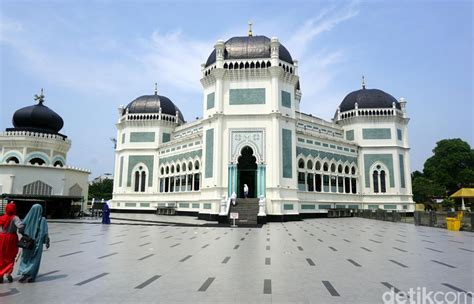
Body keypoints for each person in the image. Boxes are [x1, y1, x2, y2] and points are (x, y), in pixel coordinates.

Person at [18, 204, 50, 283]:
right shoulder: (42, 220)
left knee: (25, 258)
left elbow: (21, 229)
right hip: (37, 244)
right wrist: (47, 241)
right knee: (35, 259)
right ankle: (31, 276)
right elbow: (45, 232)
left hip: (27, 242)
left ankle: (24, 273)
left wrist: (26, 234)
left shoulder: (28, 218)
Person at [0, 202, 24, 283]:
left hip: (2, 237)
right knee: (11, 256)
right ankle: (8, 272)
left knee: (2, 256)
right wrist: (22, 232)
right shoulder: (15, 218)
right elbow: (20, 226)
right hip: (11, 238)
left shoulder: (3, 217)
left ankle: (0, 275)